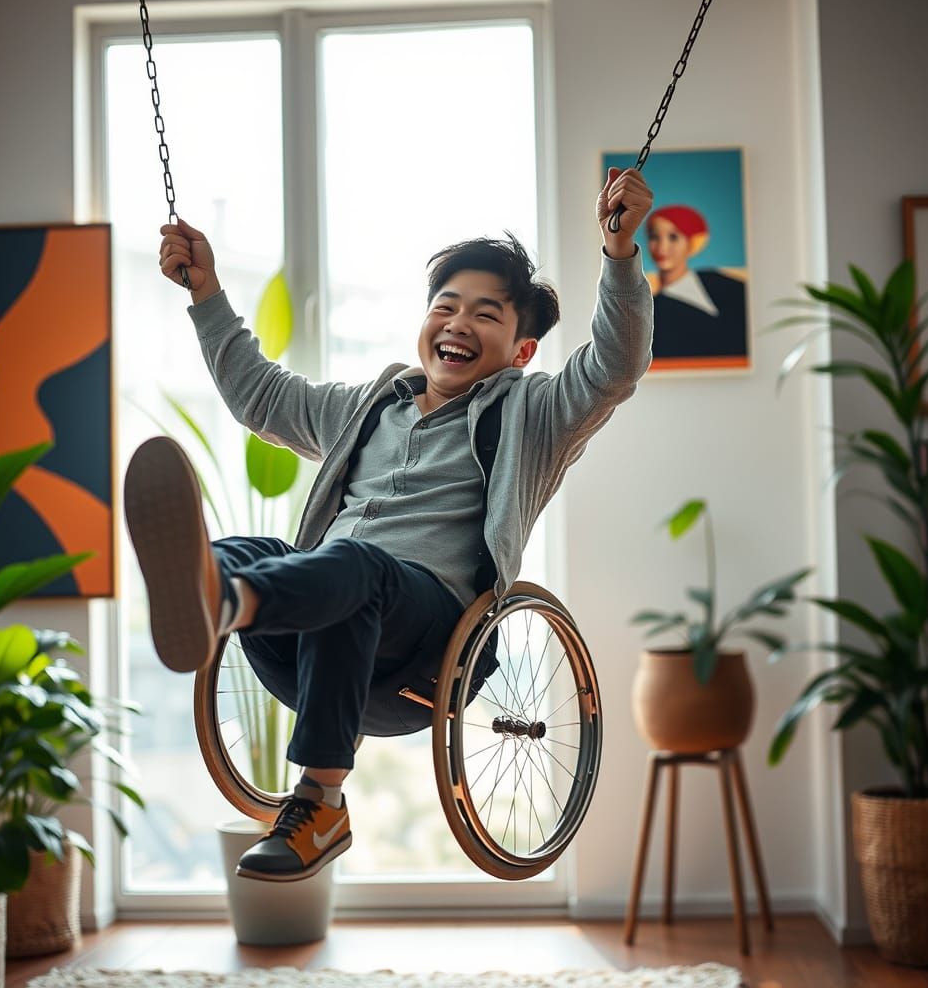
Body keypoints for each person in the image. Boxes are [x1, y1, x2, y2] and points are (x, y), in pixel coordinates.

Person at [123, 167, 654, 883]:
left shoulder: (535, 416)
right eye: (446, 305)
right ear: (426, 320)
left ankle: (310, 782)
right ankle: (219, 591)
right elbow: (259, 395)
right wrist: (206, 292)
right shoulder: (371, 406)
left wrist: (620, 256)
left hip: (420, 654)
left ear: (522, 351)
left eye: (487, 315)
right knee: (242, 550)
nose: (459, 323)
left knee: (356, 567)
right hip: (314, 640)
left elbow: (616, 367)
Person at [645, 204, 747, 362]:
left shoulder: (721, 283)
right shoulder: (651, 310)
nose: (662, 247)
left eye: (673, 237)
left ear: (691, 242)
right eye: (654, 237)